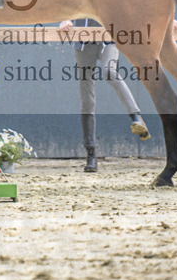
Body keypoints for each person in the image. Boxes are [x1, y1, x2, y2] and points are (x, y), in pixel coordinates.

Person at [59, 19, 150, 173]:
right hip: (83, 43)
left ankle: (136, 117)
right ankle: (91, 152)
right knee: (87, 98)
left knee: (109, 71)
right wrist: (65, 20)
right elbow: (67, 2)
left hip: (108, 40)